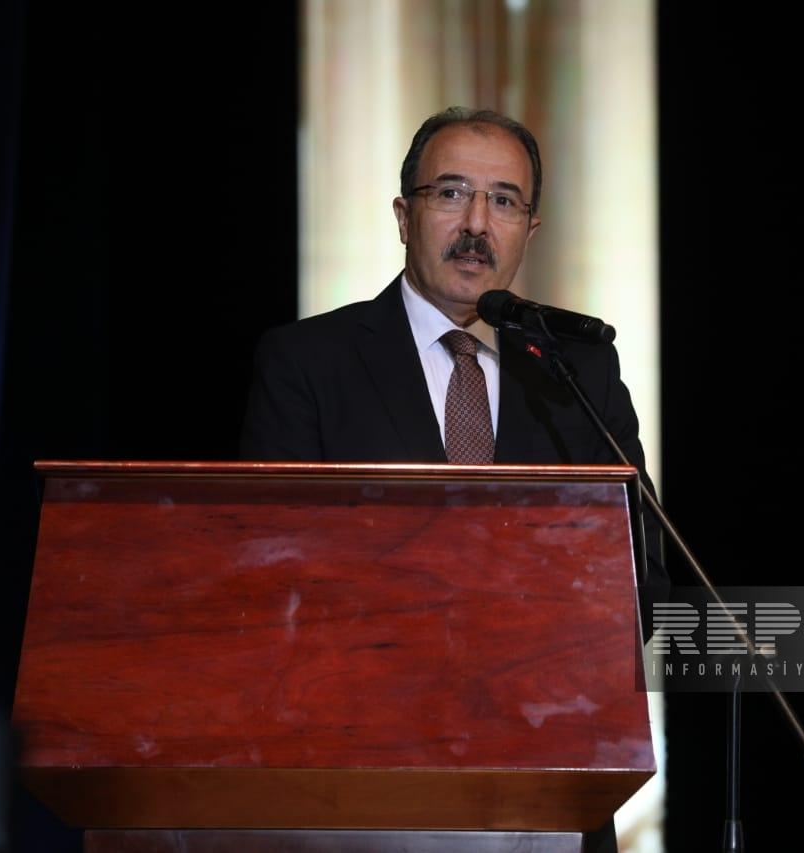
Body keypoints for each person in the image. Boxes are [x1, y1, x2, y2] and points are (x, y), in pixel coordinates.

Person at [240, 108, 665, 849]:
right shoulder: (309, 362)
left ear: (529, 230)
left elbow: (642, 567)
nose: (476, 224)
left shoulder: (577, 371)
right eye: (451, 193)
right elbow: (271, 577)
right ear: (404, 215)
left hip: (549, 770)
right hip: (367, 775)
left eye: (504, 201)